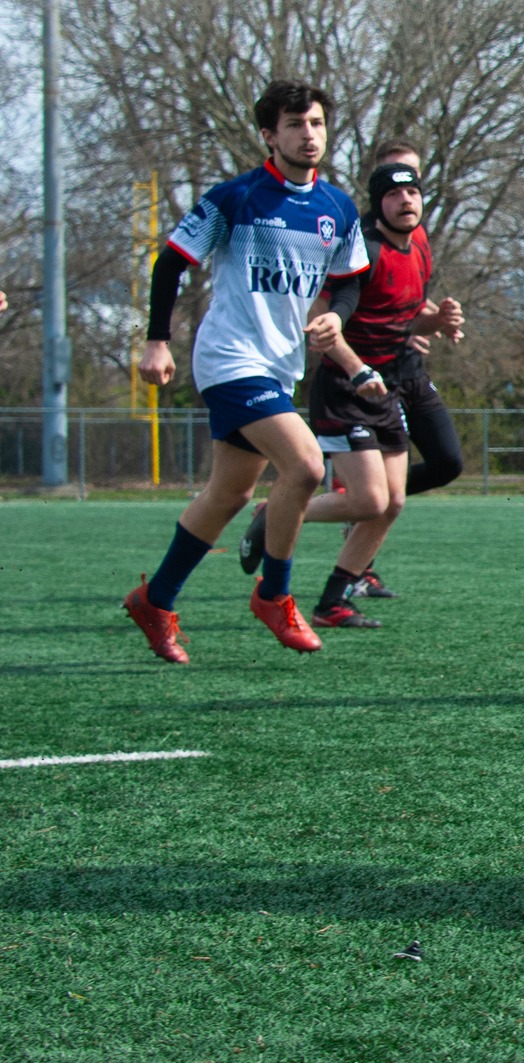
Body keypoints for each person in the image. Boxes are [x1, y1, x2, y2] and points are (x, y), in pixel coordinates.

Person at [122, 79, 370, 663]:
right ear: (269, 135)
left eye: (315, 124)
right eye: (294, 125)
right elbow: (170, 262)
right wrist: (158, 341)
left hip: (279, 367)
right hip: (230, 359)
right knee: (307, 465)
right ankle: (275, 595)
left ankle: (154, 600)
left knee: (229, 494)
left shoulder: (336, 208)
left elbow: (349, 281)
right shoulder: (236, 198)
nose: (308, 135)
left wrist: (335, 316)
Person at [279, 148, 466, 630]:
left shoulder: (419, 242)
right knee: (370, 502)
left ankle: (330, 602)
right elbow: (325, 321)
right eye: (395, 193)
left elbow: (403, 316)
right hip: (349, 387)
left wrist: (437, 320)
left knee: (393, 499)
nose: (406, 200)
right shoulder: (363, 251)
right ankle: (275, 513)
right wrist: (358, 369)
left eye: (413, 190)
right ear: (377, 202)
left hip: (393, 383)